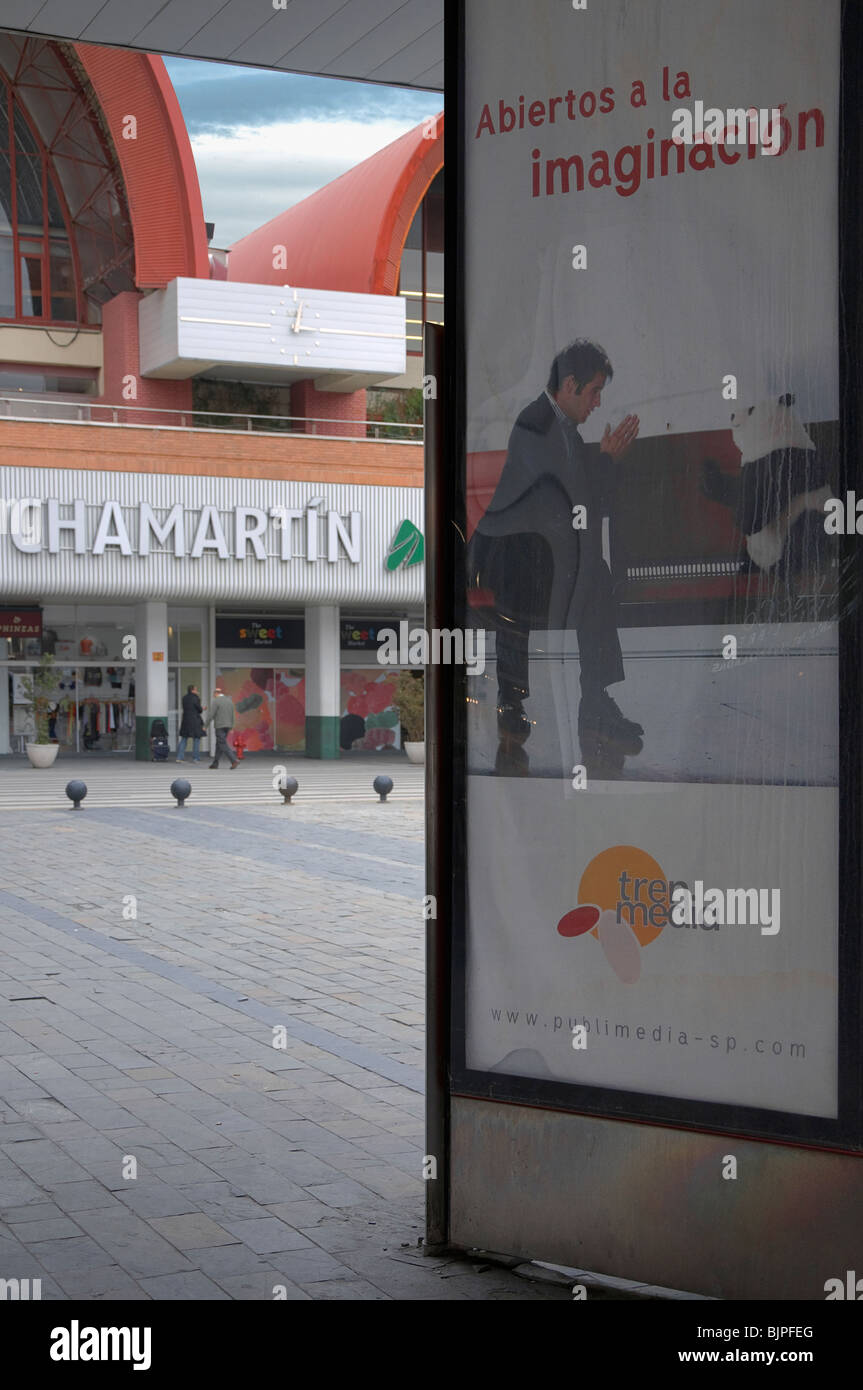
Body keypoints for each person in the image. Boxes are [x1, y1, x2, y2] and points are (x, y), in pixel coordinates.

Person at [467, 339, 641, 774]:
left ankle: (591, 703)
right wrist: (604, 462)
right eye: (594, 391)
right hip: (510, 561)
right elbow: (563, 501)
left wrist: (601, 461)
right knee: (584, 580)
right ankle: (529, 704)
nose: (598, 402)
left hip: (534, 557)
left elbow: (573, 503)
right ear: (569, 383)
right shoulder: (535, 424)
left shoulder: (560, 428)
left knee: (595, 579)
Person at [206, 685, 239, 769]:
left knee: (222, 743)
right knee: (219, 744)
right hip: (228, 726)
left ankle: (233, 760)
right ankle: (215, 763)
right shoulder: (229, 701)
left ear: (216, 693)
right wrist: (232, 726)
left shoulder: (216, 701)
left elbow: (211, 714)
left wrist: (205, 725)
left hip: (220, 726)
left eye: (214, 694)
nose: (213, 695)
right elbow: (233, 715)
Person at [177, 684, 205, 763]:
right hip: (195, 721)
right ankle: (196, 758)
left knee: (184, 738)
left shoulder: (184, 698)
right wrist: (202, 708)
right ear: (192, 690)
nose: (197, 691)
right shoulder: (196, 698)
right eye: (196, 689)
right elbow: (199, 710)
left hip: (185, 720)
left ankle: (179, 757)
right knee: (196, 738)